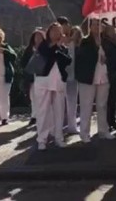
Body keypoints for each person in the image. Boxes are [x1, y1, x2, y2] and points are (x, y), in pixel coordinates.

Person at [75, 18, 116, 142]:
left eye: (99, 24)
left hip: (103, 77)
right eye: (93, 24)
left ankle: (103, 131)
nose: (96, 27)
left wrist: (106, 59)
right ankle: (84, 133)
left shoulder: (106, 41)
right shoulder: (85, 41)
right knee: (86, 106)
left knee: (102, 105)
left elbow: (113, 57)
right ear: (90, 27)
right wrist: (96, 48)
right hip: (88, 78)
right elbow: (82, 58)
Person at [34, 22, 72, 150]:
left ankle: (59, 137)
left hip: (59, 81)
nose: (56, 33)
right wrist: (56, 46)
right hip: (44, 81)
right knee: (43, 111)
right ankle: (42, 139)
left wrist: (60, 47)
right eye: (54, 31)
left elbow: (68, 60)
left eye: (59, 31)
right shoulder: (43, 45)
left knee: (59, 110)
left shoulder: (62, 47)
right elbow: (48, 54)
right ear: (49, 33)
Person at [20, 30, 45, 126]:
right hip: (32, 78)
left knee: (42, 98)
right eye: (36, 37)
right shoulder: (29, 49)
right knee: (33, 97)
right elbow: (23, 63)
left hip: (43, 76)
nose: (38, 39)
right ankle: (34, 116)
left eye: (40, 37)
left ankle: (41, 116)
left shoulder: (46, 48)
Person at [102, 24, 116, 131]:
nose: (113, 33)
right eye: (111, 31)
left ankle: (112, 120)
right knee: (107, 99)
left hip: (114, 73)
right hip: (109, 73)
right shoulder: (105, 43)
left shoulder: (114, 42)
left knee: (112, 99)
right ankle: (107, 122)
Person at [65, 26, 83, 134]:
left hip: (81, 77)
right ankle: (71, 126)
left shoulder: (83, 45)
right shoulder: (68, 45)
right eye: (73, 33)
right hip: (69, 77)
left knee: (75, 102)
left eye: (77, 33)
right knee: (70, 102)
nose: (75, 35)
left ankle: (74, 125)